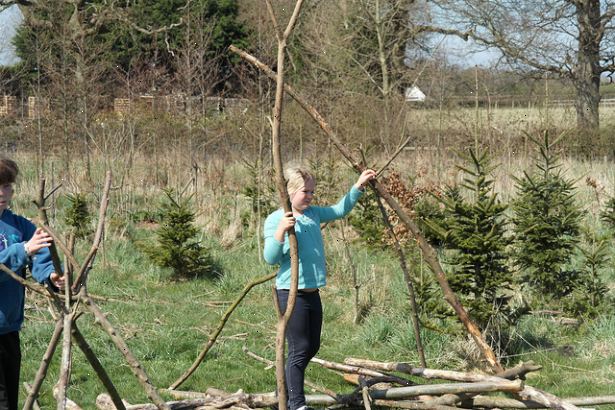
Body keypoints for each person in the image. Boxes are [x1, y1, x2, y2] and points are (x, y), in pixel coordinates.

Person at [263, 163, 376, 410]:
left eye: (313, 192)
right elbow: (270, 258)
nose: (311, 196)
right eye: (306, 192)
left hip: (313, 293)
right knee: (300, 347)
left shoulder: (313, 213)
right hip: (291, 293)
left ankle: (282, 391)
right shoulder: (276, 219)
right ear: (290, 192)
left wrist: (357, 186)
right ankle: (296, 404)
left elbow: (338, 210)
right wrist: (282, 231)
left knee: (312, 346)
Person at [0, 157, 64, 410]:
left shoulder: (19, 226)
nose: (2, 193)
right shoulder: (21, 239)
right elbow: (25, 251)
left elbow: (41, 258)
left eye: (7, 186)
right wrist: (23, 249)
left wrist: (52, 276)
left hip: (8, 328)